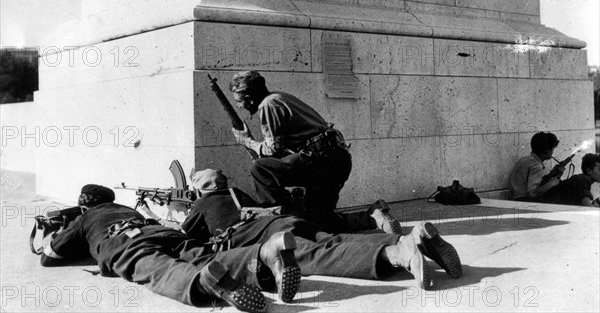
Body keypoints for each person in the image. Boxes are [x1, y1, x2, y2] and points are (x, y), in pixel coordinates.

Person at [39, 184, 303, 312]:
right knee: (206, 256)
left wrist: (60, 229)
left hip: (125, 242)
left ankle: (203, 282)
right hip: (163, 232)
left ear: (85, 206)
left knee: (157, 267)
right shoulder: (127, 208)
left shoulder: (86, 217)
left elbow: (50, 257)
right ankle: (264, 254)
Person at [181, 169, 463, 288]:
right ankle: (412, 238)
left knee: (318, 256)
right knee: (336, 240)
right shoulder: (235, 193)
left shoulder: (202, 204)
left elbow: (187, 235)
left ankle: (399, 254)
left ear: (200, 190)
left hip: (273, 237)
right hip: (285, 221)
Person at [228, 70, 400, 234]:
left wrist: (247, 141)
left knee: (260, 168)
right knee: (319, 221)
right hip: (335, 161)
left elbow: (272, 149)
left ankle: (280, 221)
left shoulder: (268, 104)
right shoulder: (280, 97)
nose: (239, 106)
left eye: (239, 101)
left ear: (249, 98)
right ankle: (374, 217)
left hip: (321, 161)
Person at [508, 132, 566, 201]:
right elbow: (532, 194)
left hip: (514, 199)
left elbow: (533, 182)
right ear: (547, 151)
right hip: (523, 201)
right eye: (552, 150)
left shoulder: (525, 160)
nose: (552, 152)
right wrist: (552, 183)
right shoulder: (536, 165)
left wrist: (552, 175)